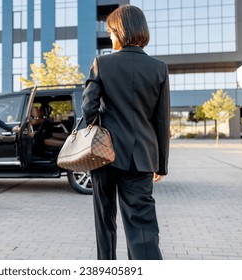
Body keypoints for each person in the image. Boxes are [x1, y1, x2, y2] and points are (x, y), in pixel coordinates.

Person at [81, 4, 170, 260]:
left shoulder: (102, 63)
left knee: (105, 221)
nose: (110, 37)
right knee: (142, 227)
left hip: (104, 157)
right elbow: (162, 122)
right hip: (142, 158)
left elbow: (88, 109)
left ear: (120, 32)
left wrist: (100, 130)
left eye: (110, 32)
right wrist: (161, 165)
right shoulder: (159, 68)